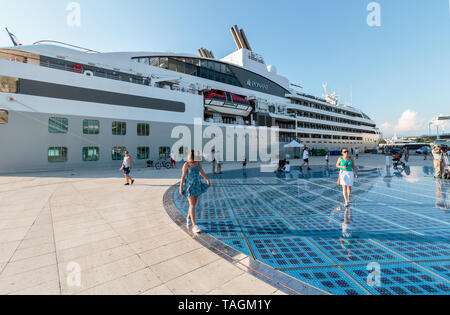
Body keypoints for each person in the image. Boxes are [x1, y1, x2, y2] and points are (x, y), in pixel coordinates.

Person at [180, 150, 211, 233]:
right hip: (189, 187)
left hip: (197, 185)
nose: (192, 161)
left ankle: (188, 217)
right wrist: (181, 187)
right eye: (191, 159)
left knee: (194, 204)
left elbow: (201, 172)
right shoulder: (186, 165)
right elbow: (182, 177)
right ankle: (194, 226)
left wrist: (207, 179)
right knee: (192, 204)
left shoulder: (198, 163)